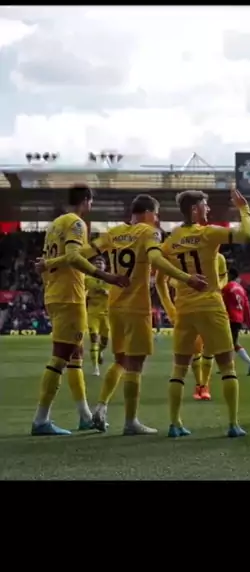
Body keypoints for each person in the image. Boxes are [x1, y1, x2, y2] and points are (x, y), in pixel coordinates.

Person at [43, 194, 207, 435]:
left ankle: (101, 407)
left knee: (120, 360)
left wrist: (50, 262)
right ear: (148, 213)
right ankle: (131, 422)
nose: (157, 219)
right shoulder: (149, 233)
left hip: (114, 306)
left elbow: (81, 253)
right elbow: (154, 258)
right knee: (135, 365)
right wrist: (187, 278)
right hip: (137, 307)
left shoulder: (114, 232)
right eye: (156, 214)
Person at [159, 187, 250, 437]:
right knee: (227, 367)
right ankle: (233, 424)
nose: (209, 208)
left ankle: (174, 424)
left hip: (184, 309)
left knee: (179, 369)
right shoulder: (208, 233)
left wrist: (170, 308)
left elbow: (159, 279)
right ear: (195, 209)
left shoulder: (171, 240)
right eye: (205, 205)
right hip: (211, 306)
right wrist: (244, 209)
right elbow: (247, 233)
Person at [31, 185, 129, 436]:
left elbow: (47, 263)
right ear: (86, 200)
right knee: (60, 357)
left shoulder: (54, 225)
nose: (91, 206)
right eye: (91, 202)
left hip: (56, 293)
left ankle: (85, 416)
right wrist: (106, 276)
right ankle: (41, 420)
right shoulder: (77, 223)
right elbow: (73, 257)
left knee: (76, 356)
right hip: (69, 296)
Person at [157, 251, 229, 401]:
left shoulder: (218, 257)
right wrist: (171, 308)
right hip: (186, 307)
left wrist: (215, 285)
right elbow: (164, 280)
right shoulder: (179, 256)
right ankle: (199, 385)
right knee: (195, 348)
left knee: (209, 348)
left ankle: (205, 385)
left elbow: (223, 277)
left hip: (210, 306)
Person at [222, 266, 250, 376]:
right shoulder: (241, 289)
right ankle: (228, 365)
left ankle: (244, 364)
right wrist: (249, 323)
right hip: (238, 319)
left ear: (230, 275)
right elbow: (246, 307)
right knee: (232, 343)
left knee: (228, 344)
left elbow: (222, 303)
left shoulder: (226, 288)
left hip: (229, 318)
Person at [85, 256, 110, 375]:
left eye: (101, 262)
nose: (99, 264)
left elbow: (118, 294)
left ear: (105, 266)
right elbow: (81, 292)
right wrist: (86, 296)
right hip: (92, 313)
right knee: (94, 338)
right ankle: (95, 368)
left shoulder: (110, 279)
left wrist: (107, 292)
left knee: (105, 341)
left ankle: (100, 351)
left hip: (106, 314)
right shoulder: (87, 279)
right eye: (96, 262)